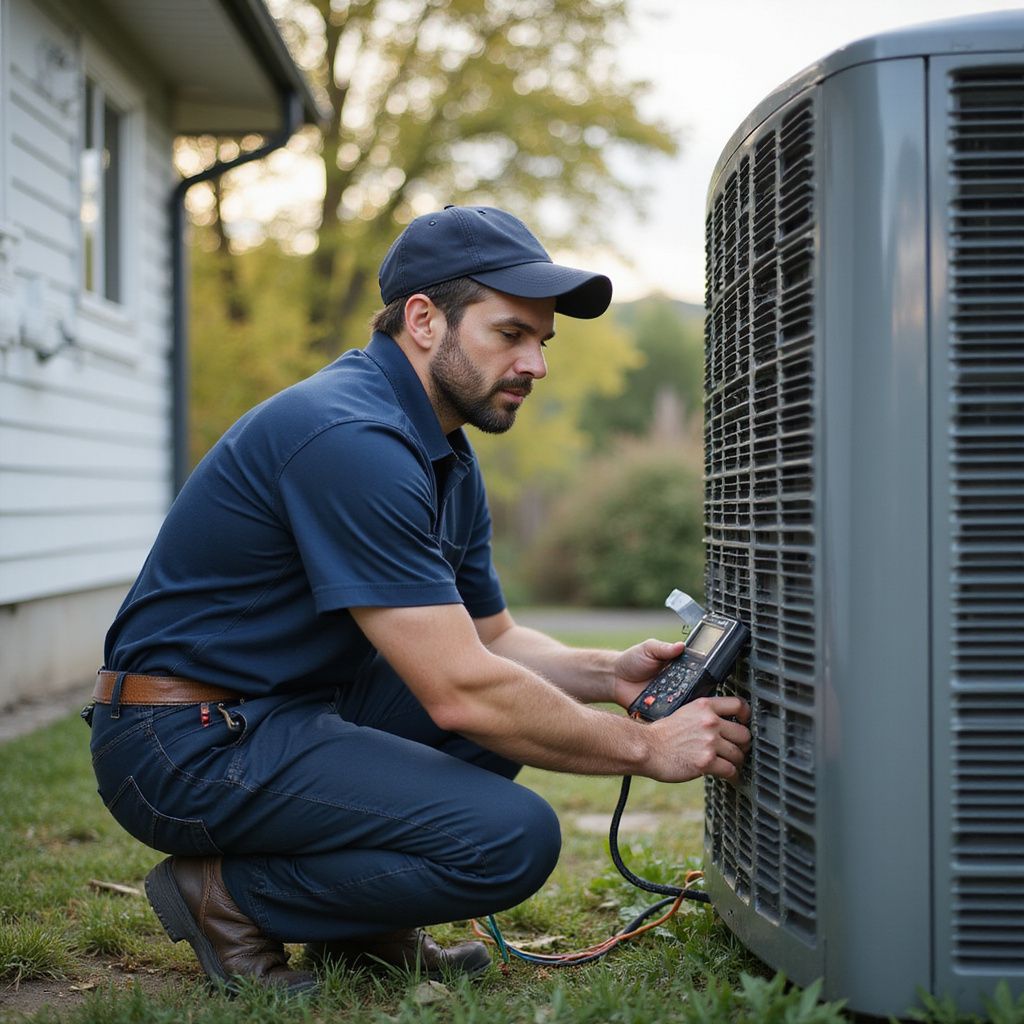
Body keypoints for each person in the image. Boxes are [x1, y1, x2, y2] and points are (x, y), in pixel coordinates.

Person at [85, 205, 751, 994]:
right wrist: (645, 748)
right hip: (184, 740)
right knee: (509, 839)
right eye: (511, 334)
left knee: (513, 710)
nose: (536, 364)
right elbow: (464, 688)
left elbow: (491, 643)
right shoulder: (348, 437)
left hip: (279, 712)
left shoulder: (443, 454)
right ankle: (227, 897)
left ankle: (361, 932)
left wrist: (610, 674)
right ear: (425, 320)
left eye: (542, 341)